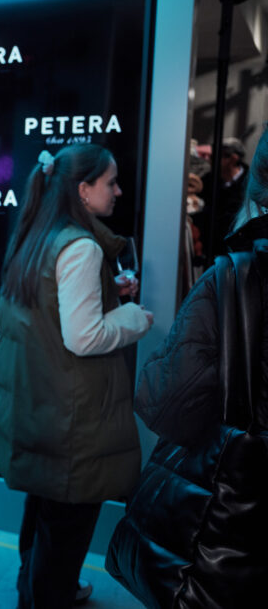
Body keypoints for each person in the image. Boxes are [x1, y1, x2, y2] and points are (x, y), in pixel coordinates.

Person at [0, 144, 154, 609]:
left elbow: (48, 313)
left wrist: (106, 292)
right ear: (83, 189)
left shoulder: (37, 234)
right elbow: (84, 336)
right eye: (110, 182)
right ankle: (48, 597)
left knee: (42, 514)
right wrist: (134, 317)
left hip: (41, 411)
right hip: (72, 422)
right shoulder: (80, 246)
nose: (118, 191)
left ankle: (34, 591)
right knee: (65, 531)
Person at [106, 127, 268, 608]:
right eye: (110, 182)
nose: (119, 191)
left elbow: (166, 403)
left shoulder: (235, 279)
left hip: (240, 537)